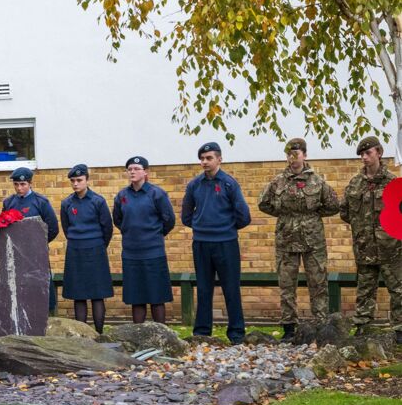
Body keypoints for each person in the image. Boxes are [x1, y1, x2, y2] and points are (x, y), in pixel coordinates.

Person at [258, 138, 339, 342]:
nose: (293, 158)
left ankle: (321, 325)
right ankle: (289, 327)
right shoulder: (278, 182)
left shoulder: (317, 181)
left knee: (318, 282)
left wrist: (311, 216)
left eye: (296, 153)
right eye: (289, 154)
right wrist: (285, 215)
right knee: (287, 284)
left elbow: (332, 205)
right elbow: (263, 203)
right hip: (286, 239)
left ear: (305, 155)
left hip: (313, 240)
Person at [181, 142, 251, 344]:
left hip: (226, 243)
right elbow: (186, 215)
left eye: (209, 158)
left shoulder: (229, 183)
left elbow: (243, 215)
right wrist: (200, 225)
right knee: (203, 288)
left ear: (219, 159)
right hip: (201, 243)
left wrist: (226, 228)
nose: (204, 162)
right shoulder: (195, 185)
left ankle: (237, 334)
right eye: (202, 158)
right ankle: (202, 333)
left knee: (231, 288)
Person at [339, 136, 402, 343]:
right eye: (362, 155)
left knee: (398, 289)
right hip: (365, 246)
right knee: (365, 289)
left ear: (379, 153)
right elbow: (345, 212)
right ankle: (362, 327)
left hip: (391, 248)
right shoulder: (355, 184)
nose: (364, 158)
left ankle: (400, 329)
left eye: (368, 153)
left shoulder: (393, 182)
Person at [113, 156, 176, 324]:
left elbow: (169, 220)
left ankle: (161, 337)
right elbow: (118, 220)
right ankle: (138, 336)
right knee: (136, 297)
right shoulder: (122, 196)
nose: (132, 172)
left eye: (136, 168)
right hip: (131, 253)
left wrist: (153, 234)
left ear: (146, 172)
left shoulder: (157, 194)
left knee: (157, 297)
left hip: (153, 252)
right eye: (129, 169)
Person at [60, 164, 113, 334]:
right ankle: (82, 334)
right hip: (75, 249)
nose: (76, 184)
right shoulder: (67, 203)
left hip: (96, 249)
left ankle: (99, 333)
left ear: (87, 180)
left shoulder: (98, 201)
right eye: (73, 181)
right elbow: (66, 228)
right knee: (79, 294)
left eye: (79, 180)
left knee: (97, 294)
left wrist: (97, 244)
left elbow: (107, 228)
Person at [1, 167, 59, 314]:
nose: (19, 188)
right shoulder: (9, 203)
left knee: (40, 287)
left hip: (35, 254)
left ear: (30, 183)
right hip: (16, 254)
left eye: (23, 184)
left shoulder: (41, 202)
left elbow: (52, 228)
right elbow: (4, 226)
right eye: (16, 184)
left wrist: (39, 243)